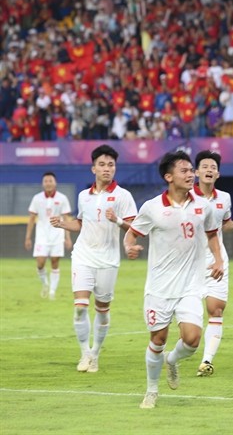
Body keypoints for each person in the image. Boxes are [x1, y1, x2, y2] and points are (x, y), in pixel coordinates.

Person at [124, 151, 224, 409]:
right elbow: (132, 234)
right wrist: (129, 247)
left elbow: (213, 234)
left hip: (191, 285)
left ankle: (172, 360)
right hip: (159, 287)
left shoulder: (204, 205)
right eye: (184, 171)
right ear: (169, 177)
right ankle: (152, 390)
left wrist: (218, 259)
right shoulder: (152, 208)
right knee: (157, 339)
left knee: (192, 341)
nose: (191, 174)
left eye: (192, 170)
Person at [50, 145, 137, 373]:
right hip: (83, 256)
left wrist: (117, 220)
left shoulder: (123, 196)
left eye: (111, 165)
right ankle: (84, 354)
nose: (107, 169)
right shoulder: (83, 196)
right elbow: (80, 224)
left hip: (108, 260)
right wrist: (62, 224)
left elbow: (136, 227)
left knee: (102, 309)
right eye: (102, 164)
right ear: (93, 168)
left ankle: (96, 353)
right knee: (80, 307)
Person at [192, 150, 233, 377]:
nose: (208, 170)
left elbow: (222, 227)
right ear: (196, 172)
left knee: (215, 309)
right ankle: (177, 352)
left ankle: (206, 361)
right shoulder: (185, 197)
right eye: (204, 166)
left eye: (212, 167)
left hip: (216, 261)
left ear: (218, 173)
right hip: (189, 264)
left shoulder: (224, 198)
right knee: (190, 317)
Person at [25, 172, 73, 300]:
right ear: (42, 183)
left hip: (57, 235)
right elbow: (31, 219)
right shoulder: (37, 198)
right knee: (40, 263)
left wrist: (68, 238)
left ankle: (52, 291)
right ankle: (45, 284)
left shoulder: (62, 198)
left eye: (50, 180)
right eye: (46, 181)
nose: (48, 183)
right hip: (41, 236)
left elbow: (67, 218)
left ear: (55, 182)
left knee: (55, 262)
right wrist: (28, 237)